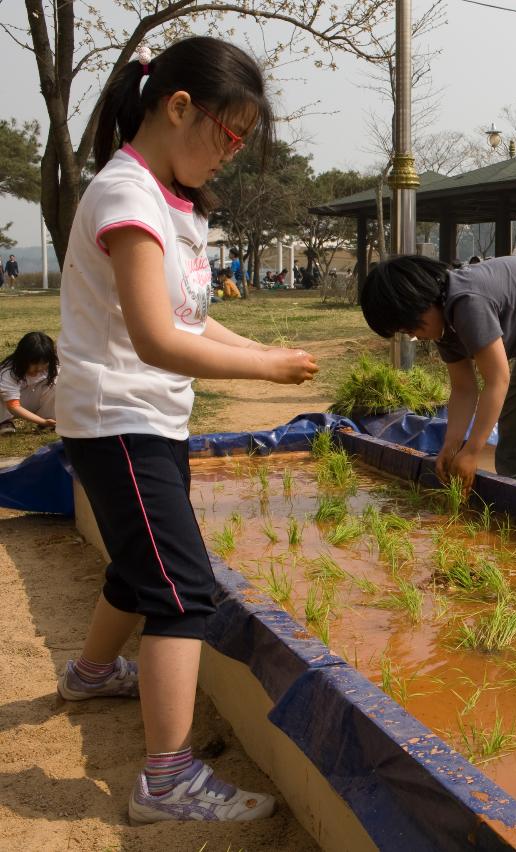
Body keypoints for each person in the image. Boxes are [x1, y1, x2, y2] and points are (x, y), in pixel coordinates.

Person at [54, 36, 318, 824]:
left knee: (145, 565)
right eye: (229, 136)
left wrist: (268, 350)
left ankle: (93, 674)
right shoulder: (127, 199)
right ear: (178, 109)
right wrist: (264, 373)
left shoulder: (169, 200)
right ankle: (165, 779)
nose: (231, 155)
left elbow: (189, 319)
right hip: (118, 419)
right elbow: (155, 340)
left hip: (145, 421)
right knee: (183, 592)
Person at [360, 254, 516, 504]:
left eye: (412, 327)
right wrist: (451, 445)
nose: (415, 335)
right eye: (405, 333)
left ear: (422, 301)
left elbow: (497, 381)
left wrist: (471, 452)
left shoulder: (467, 302)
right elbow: (463, 389)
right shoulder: (443, 323)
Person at [0, 331, 58, 434]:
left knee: (58, 384)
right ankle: (4, 421)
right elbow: (13, 406)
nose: (39, 368)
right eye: (34, 364)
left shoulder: (53, 366)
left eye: (44, 363)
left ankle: (49, 420)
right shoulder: (8, 372)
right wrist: (43, 422)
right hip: (9, 407)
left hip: (29, 400)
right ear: (23, 359)